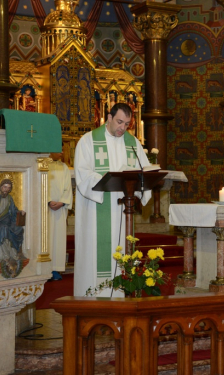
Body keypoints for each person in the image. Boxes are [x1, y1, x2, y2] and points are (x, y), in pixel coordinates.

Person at [74, 103, 151, 296]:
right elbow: (83, 173)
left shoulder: (132, 143)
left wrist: (144, 181)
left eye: (126, 124)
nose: (122, 128)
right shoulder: (88, 141)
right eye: (119, 122)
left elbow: (145, 170)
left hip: (125, 212)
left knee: (124, 254)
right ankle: (94, 299)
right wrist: (108, 181)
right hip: (97, 210)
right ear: (108, 118)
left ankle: (123, 296)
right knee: (96, 258)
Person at [48, 151, 73, 281]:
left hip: (60, 208)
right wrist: (48, 200)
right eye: (59, 149)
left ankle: (55, 268)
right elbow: (38, 184)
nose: (62, 152)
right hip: (45, 208)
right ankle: (44, 269)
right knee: (46, 239)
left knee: (58, 238)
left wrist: (62, 201)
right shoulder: (43, 164)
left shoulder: (63, 167)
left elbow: (68, 187)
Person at [0, 179, 26, 263]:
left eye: (8, 188)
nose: (6, 189)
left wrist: (20, 211)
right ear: (1, 187)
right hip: (2, 222)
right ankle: (5, 255)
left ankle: (14, 253)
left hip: (7, 220)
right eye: (5, 187)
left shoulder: (9, 198)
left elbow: (13, 209)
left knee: (18, 229)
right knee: (4, 229)